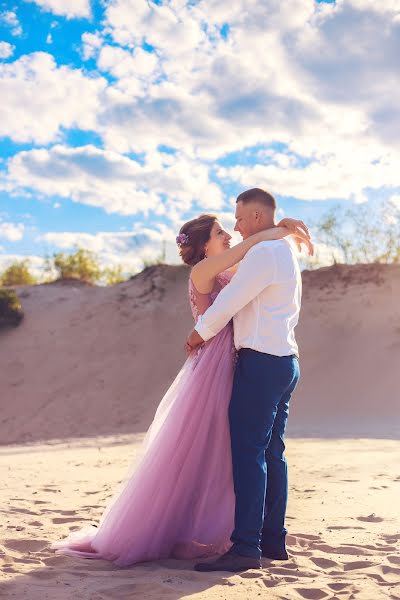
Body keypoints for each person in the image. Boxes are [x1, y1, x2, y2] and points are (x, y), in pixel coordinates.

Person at [49, 205, 311, 567]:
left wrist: (279, 227)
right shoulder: (205, 271)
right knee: (207, 450)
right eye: (220, 233)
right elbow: (244, 255)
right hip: (215, 366)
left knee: (236, 452)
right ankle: (239, 537)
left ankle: (255, 537)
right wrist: (277, 229)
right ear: (204, 247)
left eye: (229, 228)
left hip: (239, 362)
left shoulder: (231, 268)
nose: (229, 235)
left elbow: (250, 262)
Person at [186, 188, 304, 572]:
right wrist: (282, 229)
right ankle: (273, 541)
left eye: (238, 218)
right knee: (273, 454)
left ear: (255, 217)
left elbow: (227, 302)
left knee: (249, 455)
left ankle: (246, 548)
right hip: (285, 361)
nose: (236, 227)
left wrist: (196, 335)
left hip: (263, 364)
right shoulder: (280, 250)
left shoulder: (266, 254)